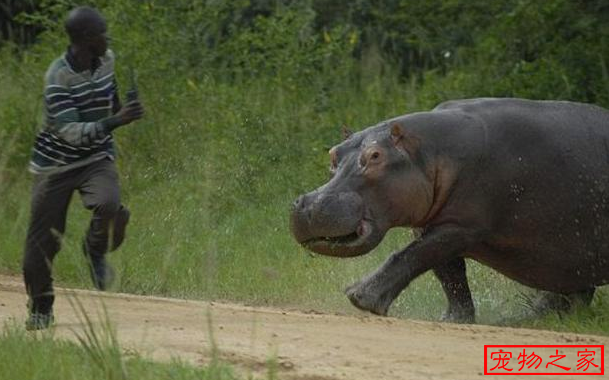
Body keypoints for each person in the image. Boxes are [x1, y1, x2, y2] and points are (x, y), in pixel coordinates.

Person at [22, 6, 144, 330]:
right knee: (42, 242)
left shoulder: (107, 59)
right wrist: (116, 120)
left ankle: (95, 252)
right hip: (55, 164)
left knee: (108, 203)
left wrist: (124, 108)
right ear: (87, 39)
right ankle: (41, 308)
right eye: (103, 32)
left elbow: (108, 99)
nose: (108, 38)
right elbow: (71, 132)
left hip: (95, 157)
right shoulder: (57, 77)